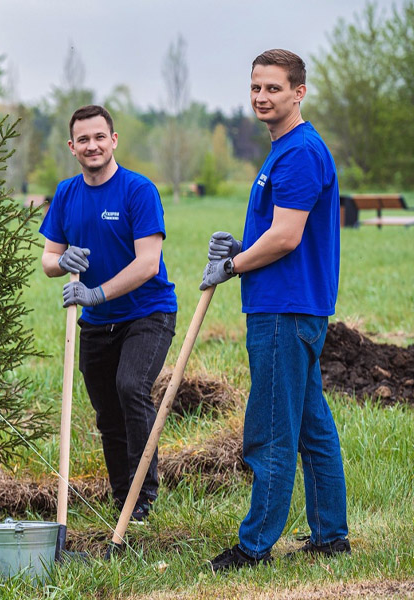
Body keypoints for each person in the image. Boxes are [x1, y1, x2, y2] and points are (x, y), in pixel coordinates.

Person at [202, 49, 349, 572]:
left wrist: (234, 264)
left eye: (273, 88)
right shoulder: (284, 149)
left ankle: (254, 546)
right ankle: (331, 535)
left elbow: (286, 238)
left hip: (284, 309)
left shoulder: (300, 152)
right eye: (256, 87)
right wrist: (238, 244)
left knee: (269, 430)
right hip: (288, 304)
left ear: (299, 92)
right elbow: (279, 226)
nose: (262, 97)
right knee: (311, 426)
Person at [39, 105, 177, 524]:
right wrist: (63, 264)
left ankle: (143, 496)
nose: (92, 145)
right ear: (72, 147)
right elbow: (48, 257)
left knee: (131, 387)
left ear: (113, 140)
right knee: (107, 414)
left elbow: (147, 263)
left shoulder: (138, 190)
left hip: (146, 313)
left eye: (100, 136)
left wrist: (96, 292)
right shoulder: (66, 193)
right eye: (83, 139)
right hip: (97, 325)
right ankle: (124, 500)